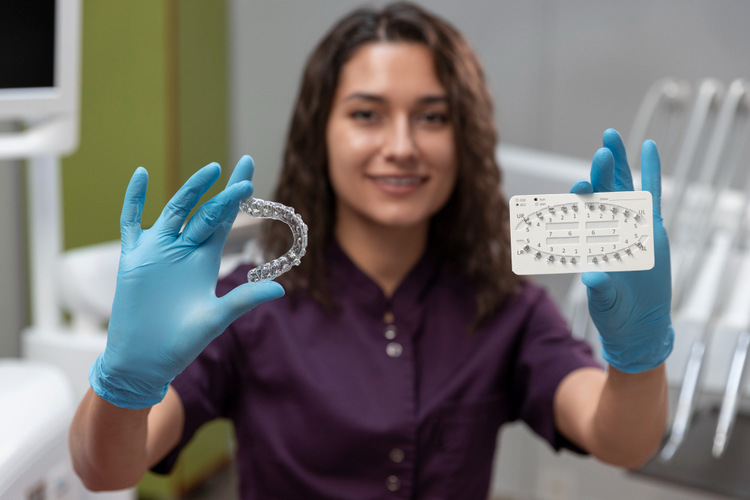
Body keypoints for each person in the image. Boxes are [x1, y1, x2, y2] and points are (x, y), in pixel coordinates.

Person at [69, 3, 673, 499]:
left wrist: (638, 353)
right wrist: (123, 383)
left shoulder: (506, 306)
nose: (402, 146)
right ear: (320, 133)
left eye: (432, 117)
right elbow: (106, 472)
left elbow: (619, 439)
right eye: (367, 115)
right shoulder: (246, 305)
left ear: (463, 138)